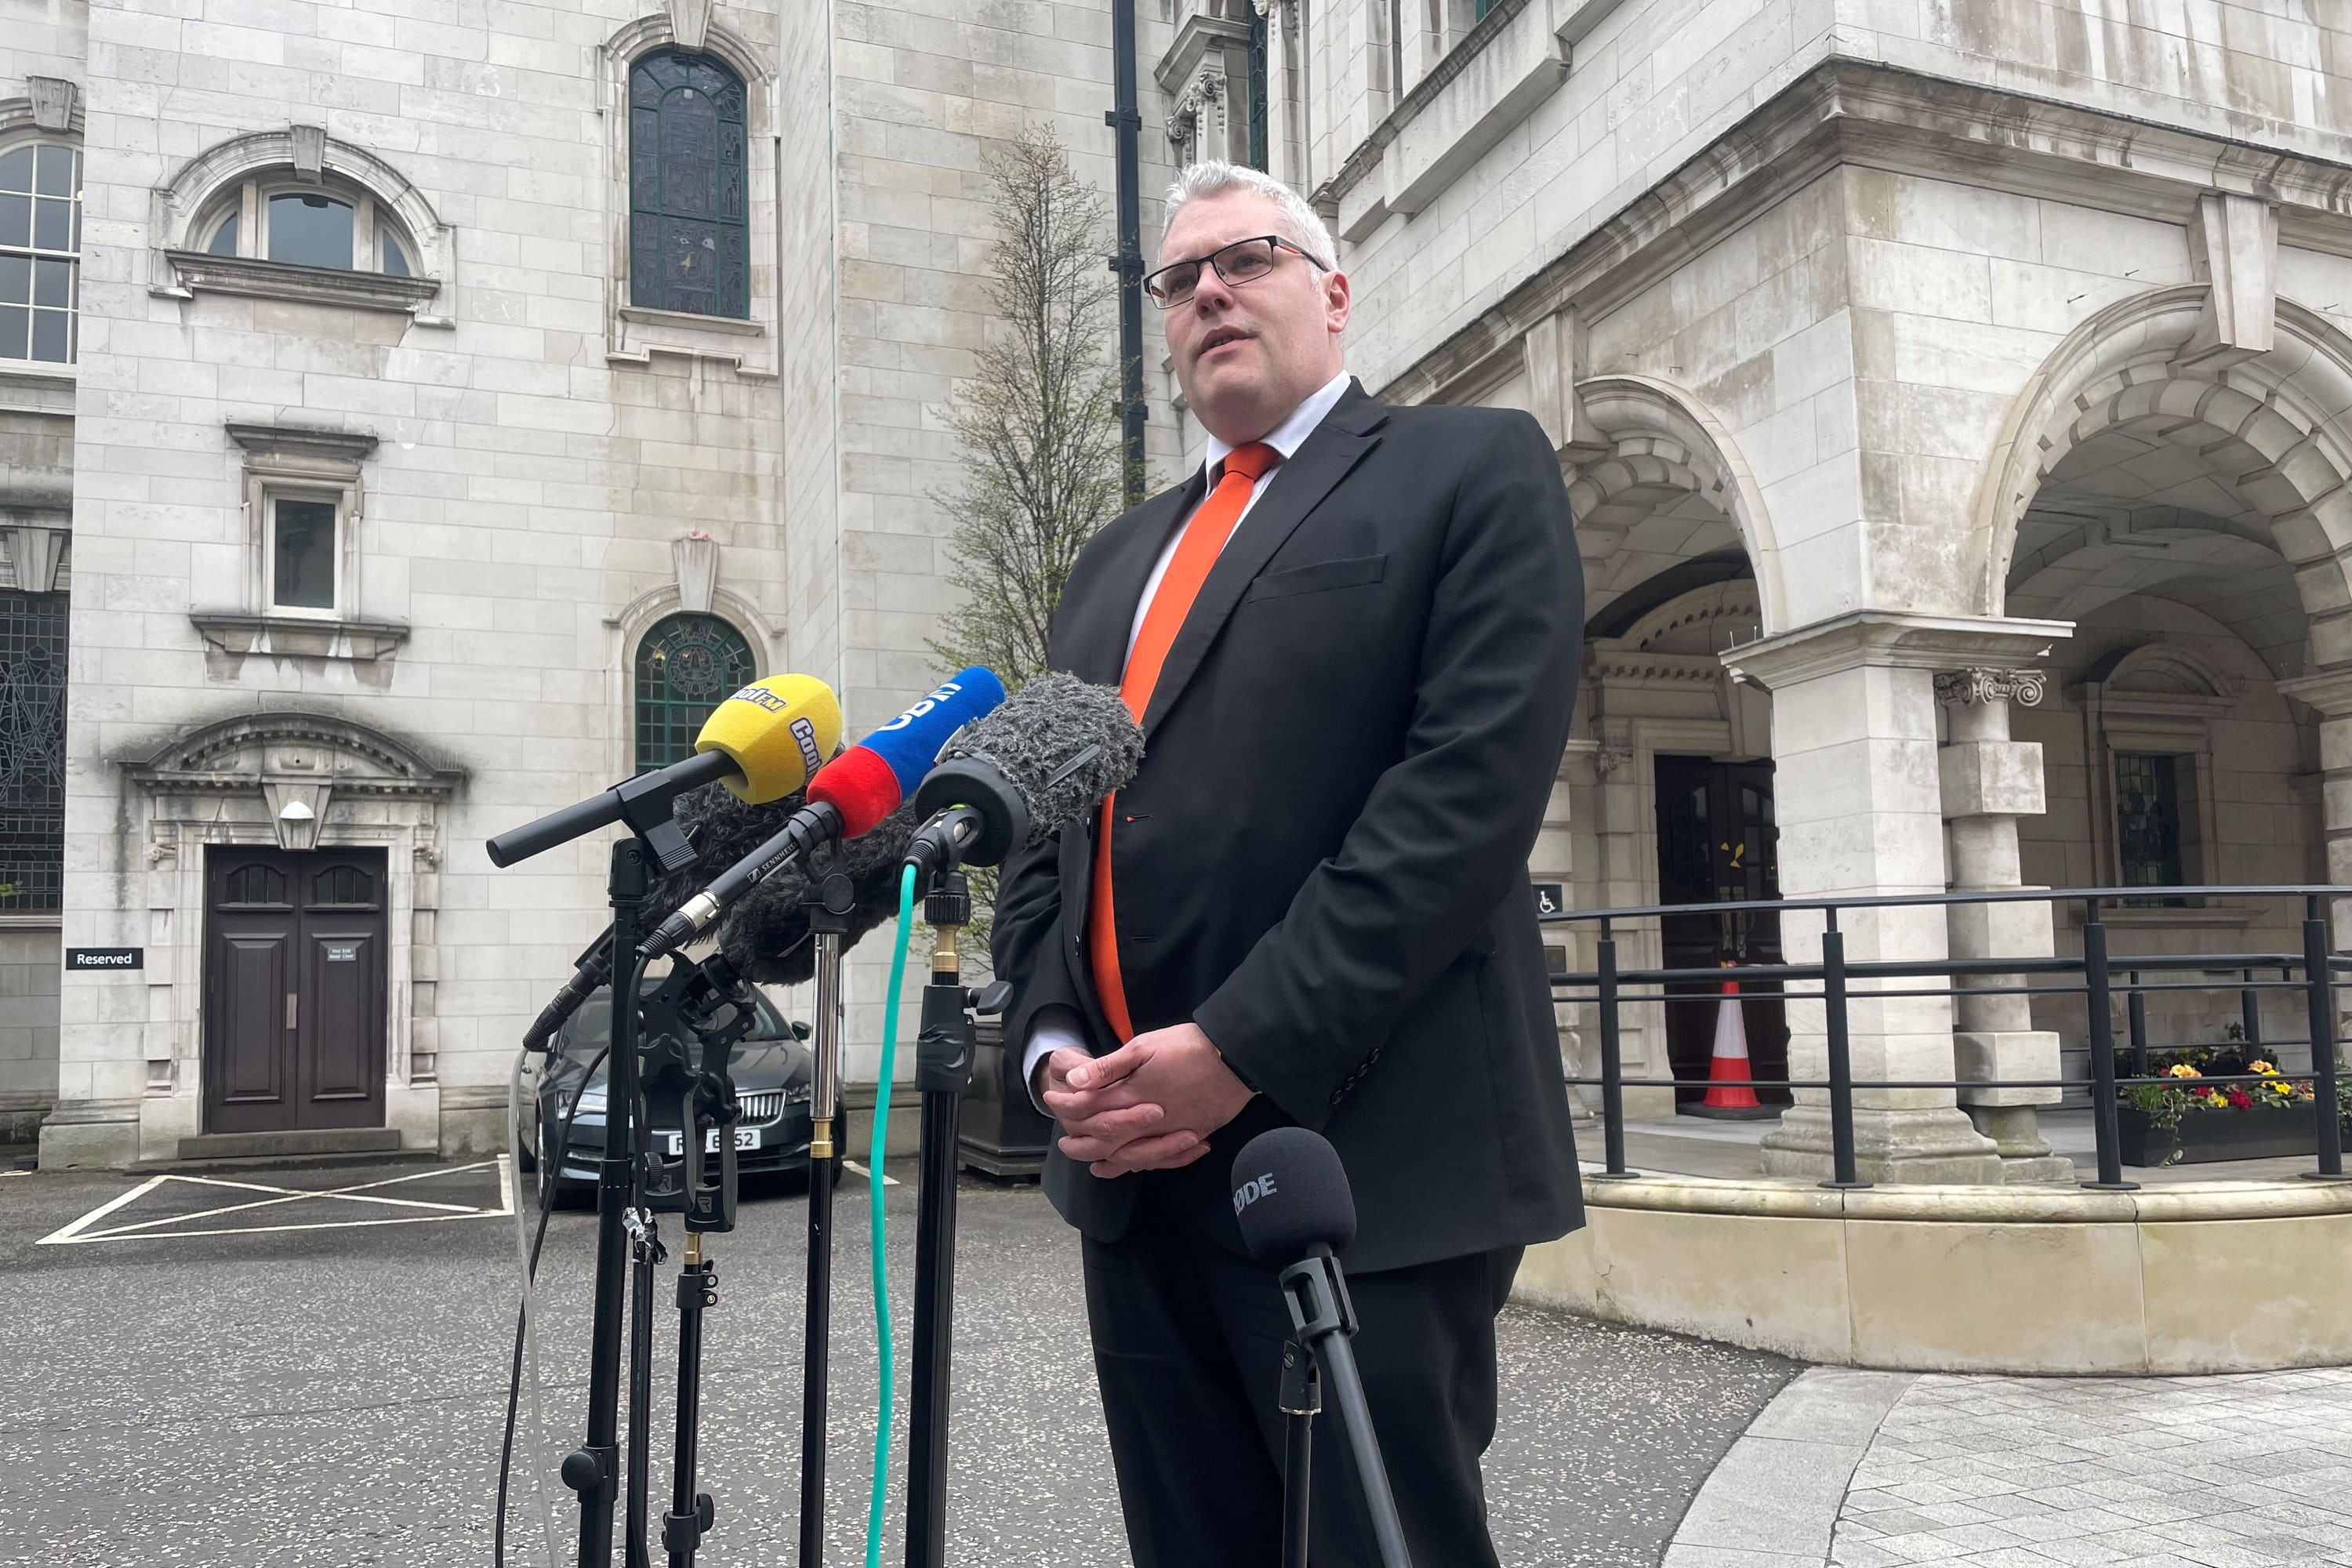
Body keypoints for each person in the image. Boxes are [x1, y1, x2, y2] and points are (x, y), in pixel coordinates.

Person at [990, 160, 1584, 1568]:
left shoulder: (1470, 468)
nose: (1206, 291)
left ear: (1332, 291)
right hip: (1130, 1174)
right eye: (1177, 279)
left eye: (1244, 258)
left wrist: (1239, 1046)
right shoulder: (1110, 560)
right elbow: (1040, 839)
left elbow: (1459, 805)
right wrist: (1051, 1045)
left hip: (1357, 1156)